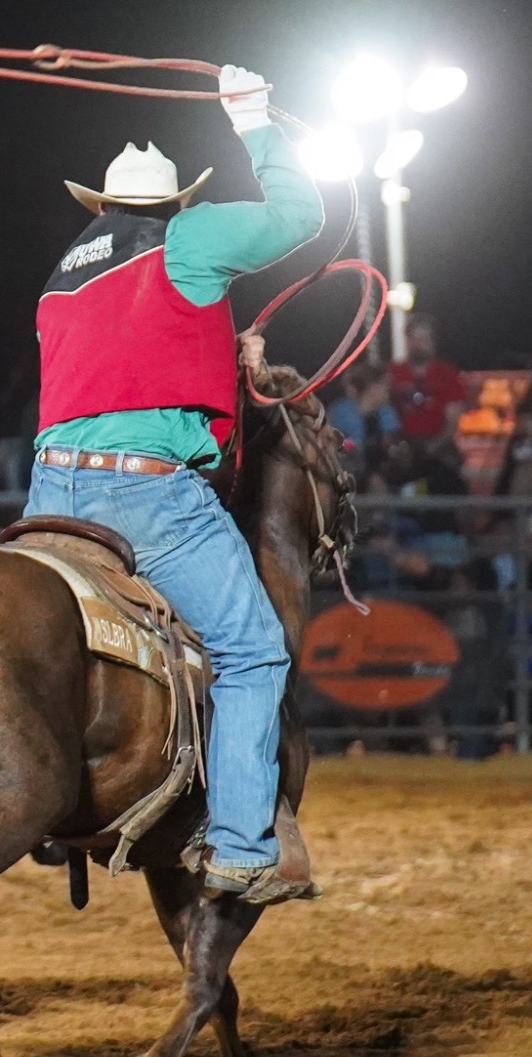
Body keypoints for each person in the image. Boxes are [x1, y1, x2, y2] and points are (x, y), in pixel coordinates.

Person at [25, 67, 324, 904]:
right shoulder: (186, 240)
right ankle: (237, 845)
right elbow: (304, 217)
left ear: (102, 206)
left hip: (50, 495)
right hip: (147, 496)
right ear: (177, 203)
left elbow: (127, 370)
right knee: (252, 650)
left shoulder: (65, 273)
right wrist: (255, 119)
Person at [386, 316, 466, 441]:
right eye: (413, 338)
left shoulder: (448, 374)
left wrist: (434, 447)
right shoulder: (392, 373)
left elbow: (454, 418)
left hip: (438, 443)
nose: (418, 344)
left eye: (424, 339)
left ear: (433, 342)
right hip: (400, 443)